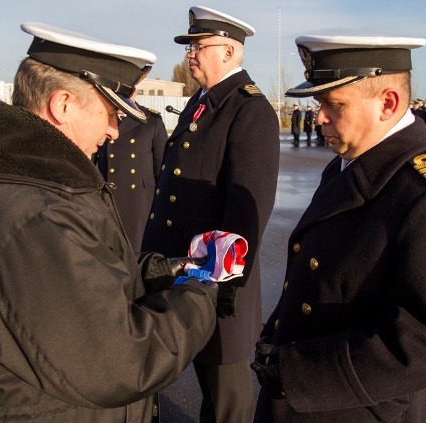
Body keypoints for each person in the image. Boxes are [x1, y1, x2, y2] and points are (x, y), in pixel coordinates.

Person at [0, 22, 219, 422]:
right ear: (62, 104)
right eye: (109, 112)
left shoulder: (41, 185)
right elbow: (124, 361)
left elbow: (88, 273)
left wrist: (163, 271)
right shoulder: (37, 217)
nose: (114, 129)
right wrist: (199, 291)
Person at [251, 35, 426, 423]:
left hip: (356, 408)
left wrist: (301, 372)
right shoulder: (350, 165)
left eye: (334, 104)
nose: (320, 117)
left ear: (388, 103)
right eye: (319, 104)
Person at [141, 6, 280, 423]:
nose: (191, 54)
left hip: (214, 282)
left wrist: (225, 285)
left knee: (226, 401)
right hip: (180, 272)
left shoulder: (248, 110)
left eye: (200, 46)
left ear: (229, 51)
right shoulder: (203, 103)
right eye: (190, 47)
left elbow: (247, 210)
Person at [95, 91, 168, 251]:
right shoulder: (100, 117)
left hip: (140, 202)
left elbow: (163, 167)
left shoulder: (151, 120)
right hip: (108, 200)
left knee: (137, 251)